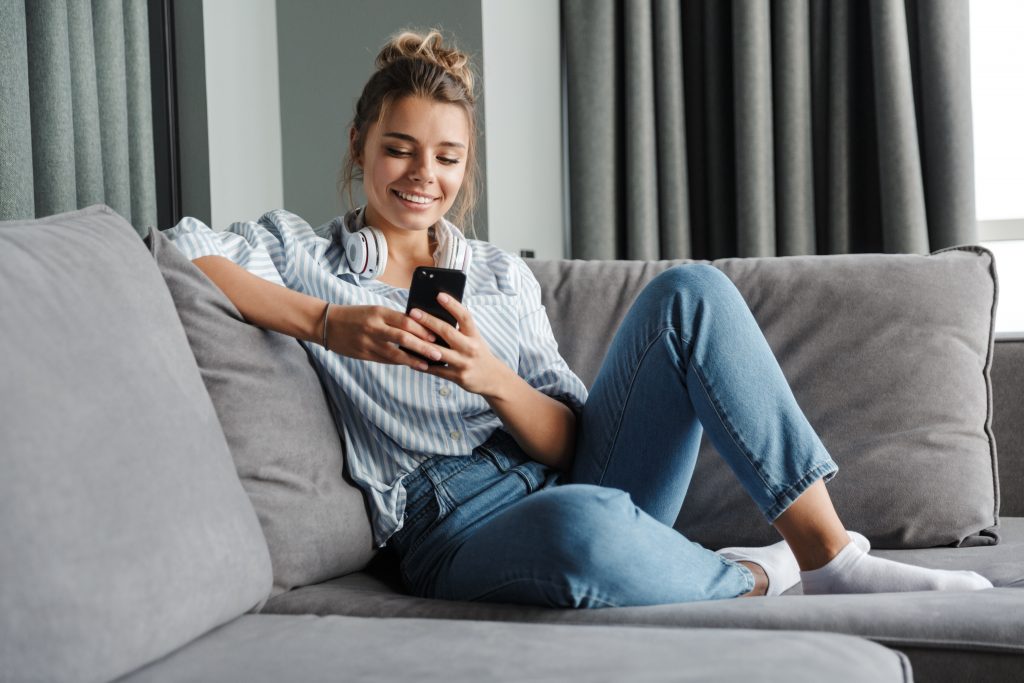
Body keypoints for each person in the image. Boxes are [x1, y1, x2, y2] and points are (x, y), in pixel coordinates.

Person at [166, 30, 992, 606]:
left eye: (447, 157)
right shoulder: (300, 252)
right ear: (359, 146)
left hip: (570, 470)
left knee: (690, 292)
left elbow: (568, 438)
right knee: (583, 526)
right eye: (399, 148)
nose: (423, 175)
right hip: (451, 521)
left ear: (465, 166)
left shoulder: (494, 272)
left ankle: (829, 554)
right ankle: (755, 575)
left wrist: (492, 379)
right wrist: (325, 322)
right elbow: (185, 247)